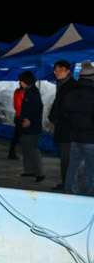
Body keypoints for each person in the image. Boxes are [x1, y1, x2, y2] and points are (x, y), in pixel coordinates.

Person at [62, 60, 94, 196]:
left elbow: (64, 114)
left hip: (74, 135)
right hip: (91, 137)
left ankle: (69, 192)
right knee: (90, 168)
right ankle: (84, 195)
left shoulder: (70, 92)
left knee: (73, 166)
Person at [47, 60, 77, 191]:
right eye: (56, 70)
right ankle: (65, 182)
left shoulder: (72, 87)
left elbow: (69, 109)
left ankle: (68, 185)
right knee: (64, 159)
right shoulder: (62, 85)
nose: (57, 73)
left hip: (68, 129)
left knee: (67, 159)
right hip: (62, 127)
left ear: (68, 71)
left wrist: (57, 118)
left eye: (60, 70)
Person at [18, 71, 44, 182]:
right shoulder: (28, 91)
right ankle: (29, 170)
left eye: (21, 81)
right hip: (26, 126)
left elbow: (38, 108)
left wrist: (30, 119)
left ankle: (39, 173)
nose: (20, 83)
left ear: (25, 81)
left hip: (32, 126)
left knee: (32, 149)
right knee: (26, 149)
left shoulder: (33, 92)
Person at [7, 82, 24, 160]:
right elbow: (17, 105)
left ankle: (12, 151)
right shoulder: (19, 93)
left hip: (21, 116)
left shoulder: (23, 92)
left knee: (19, 135)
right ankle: (11, 152)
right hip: (20, 117)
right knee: (17, 135)